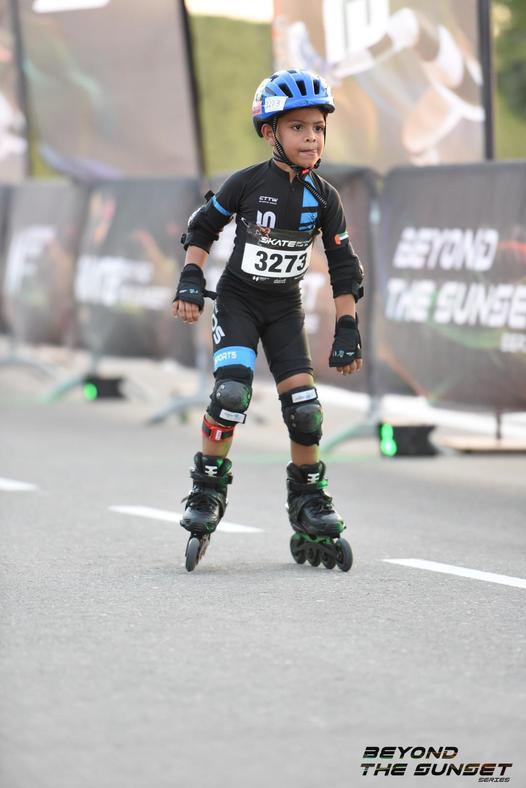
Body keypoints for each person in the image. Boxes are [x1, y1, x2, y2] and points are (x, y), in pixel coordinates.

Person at [172, 69, 364, 570]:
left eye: (318, 128)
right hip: (238, 301)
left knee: (305, 411)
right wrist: (191, 278)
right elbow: (203, 226)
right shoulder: (247, 182)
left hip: (283, 310)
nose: (311, 137)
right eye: (298, 127)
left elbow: (344, 266)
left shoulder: (325, 197)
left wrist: (347, 326)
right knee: (231, 394)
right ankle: (207, 488)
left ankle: (309, 500)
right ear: (269, 132)